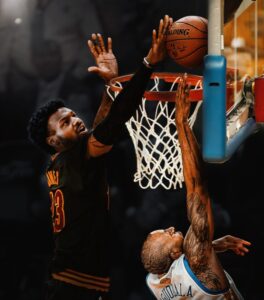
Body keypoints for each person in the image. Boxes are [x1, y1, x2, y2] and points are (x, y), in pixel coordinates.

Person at [27, 15, 172, 300]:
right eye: (66, 123)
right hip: (76, 285)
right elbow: (115, 122)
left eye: (73, 114)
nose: (76, 119)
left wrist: (110, 87)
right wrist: (148, 65)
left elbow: (99, 128)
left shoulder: (61, 163)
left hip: (68, 279)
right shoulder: (75, 159)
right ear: (53, 141)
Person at [141, 76, 250, 299]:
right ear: (174, 252)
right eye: (166, 234)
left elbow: (190, 256)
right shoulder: (196, 260)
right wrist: (181, 123)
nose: (169, 228)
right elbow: (197, 189)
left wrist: (212, 246)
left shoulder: (155, 283)